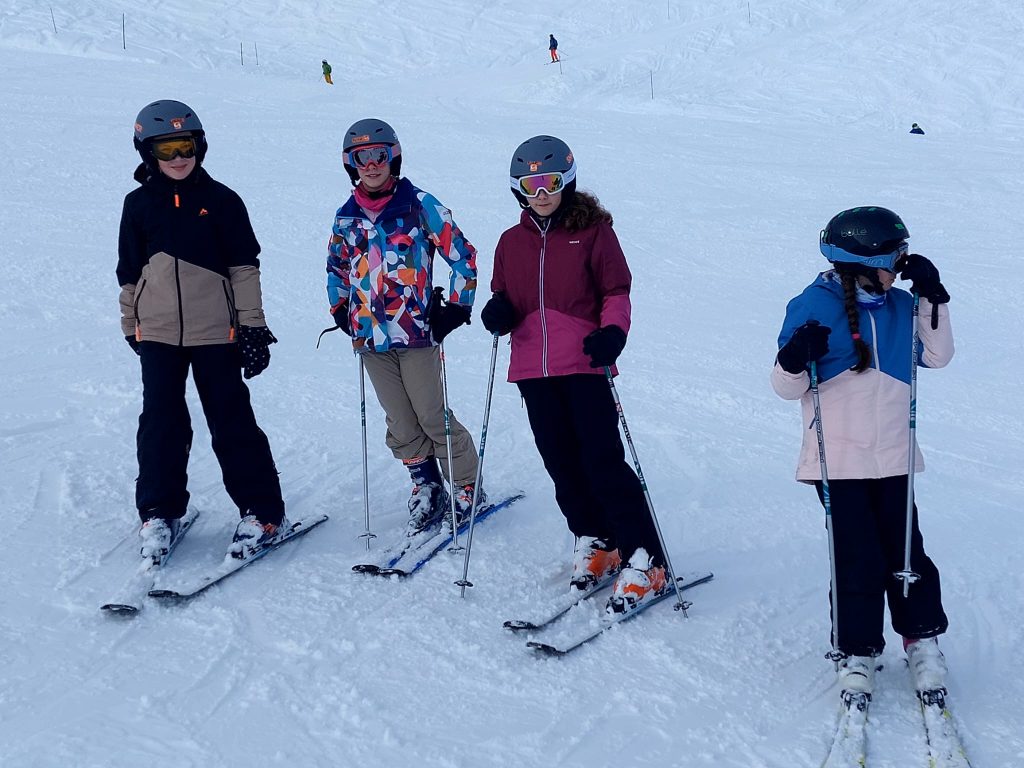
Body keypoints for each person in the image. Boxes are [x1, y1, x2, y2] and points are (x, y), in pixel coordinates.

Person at [771, 206, 954, 700]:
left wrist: (932, 296)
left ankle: (921, 639)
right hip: (839, 462)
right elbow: (785, 387)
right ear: (865, 262)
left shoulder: (901, 304)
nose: (901, 265)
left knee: (906, 551)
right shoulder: (814, 303)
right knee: (857, 556)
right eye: (895, 257)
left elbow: (937, 356)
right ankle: (857, 650)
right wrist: (795, 357)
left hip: (894, 456)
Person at [480, 135, 667, 614]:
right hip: (532, 369)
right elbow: (504, 295)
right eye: (532, 185)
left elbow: (616, 291)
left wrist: (613, 333)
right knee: (561, 463)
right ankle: (597, 539)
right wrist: (498, 311)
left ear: (567, 180)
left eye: (551, 182)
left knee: (603, 461)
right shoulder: (510, 242)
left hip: (585, 362)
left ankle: (645, 558)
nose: (542, 193)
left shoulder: (594, 232)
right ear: (518, 189)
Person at [118, 99, 287, 561]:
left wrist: (253, 328)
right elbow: (129, 273)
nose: (178, 158)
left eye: (186, 146)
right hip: (158, 333)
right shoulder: (138, 205)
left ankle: (262, 512)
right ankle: (159, 511)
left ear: (200, 147)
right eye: (166, 149)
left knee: (231, 419)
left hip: (217, 333)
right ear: (147, 152)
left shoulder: (223, 201)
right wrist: (131, 323)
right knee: (161, 422)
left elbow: (244, 269)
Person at [326, 118, 482, 535]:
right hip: (369, 337)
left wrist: (457, 307)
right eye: (362, 157)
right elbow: (336, 267)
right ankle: (426, 485)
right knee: (400, 420)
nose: (371, 165)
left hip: (416, 332)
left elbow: (463, 256)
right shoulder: (346, 217)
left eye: (379, 155)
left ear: (393, 157)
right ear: (350, 164)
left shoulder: (419, 204)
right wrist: (340, 308)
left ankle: (466, 484)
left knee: (431, 415)